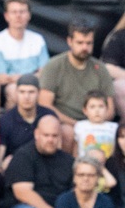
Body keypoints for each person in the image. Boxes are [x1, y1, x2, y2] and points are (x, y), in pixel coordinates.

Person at [39, 20, 117, 153]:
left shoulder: (100, 69)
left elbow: (110, 108)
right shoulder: (54, 66)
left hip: (96, 123)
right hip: (66, 123)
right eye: (80, 43)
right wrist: (76, 124)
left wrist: (95, 124)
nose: (84, 48)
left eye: (89, 43)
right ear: (69, 41)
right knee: (67, 133)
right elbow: (45, 104)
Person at [5, 114, 75, 208]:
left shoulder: (68, 161)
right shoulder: (23, 155)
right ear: (37, 134)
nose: (50, 140)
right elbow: (22, 192)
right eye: (46, 135)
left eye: (54, 136)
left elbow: (74, 192)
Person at [0, 0, 50, 111]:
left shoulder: (38, 39)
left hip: (35, 85)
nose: (18, 16)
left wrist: (17, 77)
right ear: (6, 16)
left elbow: (45, 72)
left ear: (29, 15)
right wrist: (30, 76)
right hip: (10, 88)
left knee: (45, 93)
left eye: (22, 12)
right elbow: (1, 78)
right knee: (13, 91)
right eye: (14, 12)